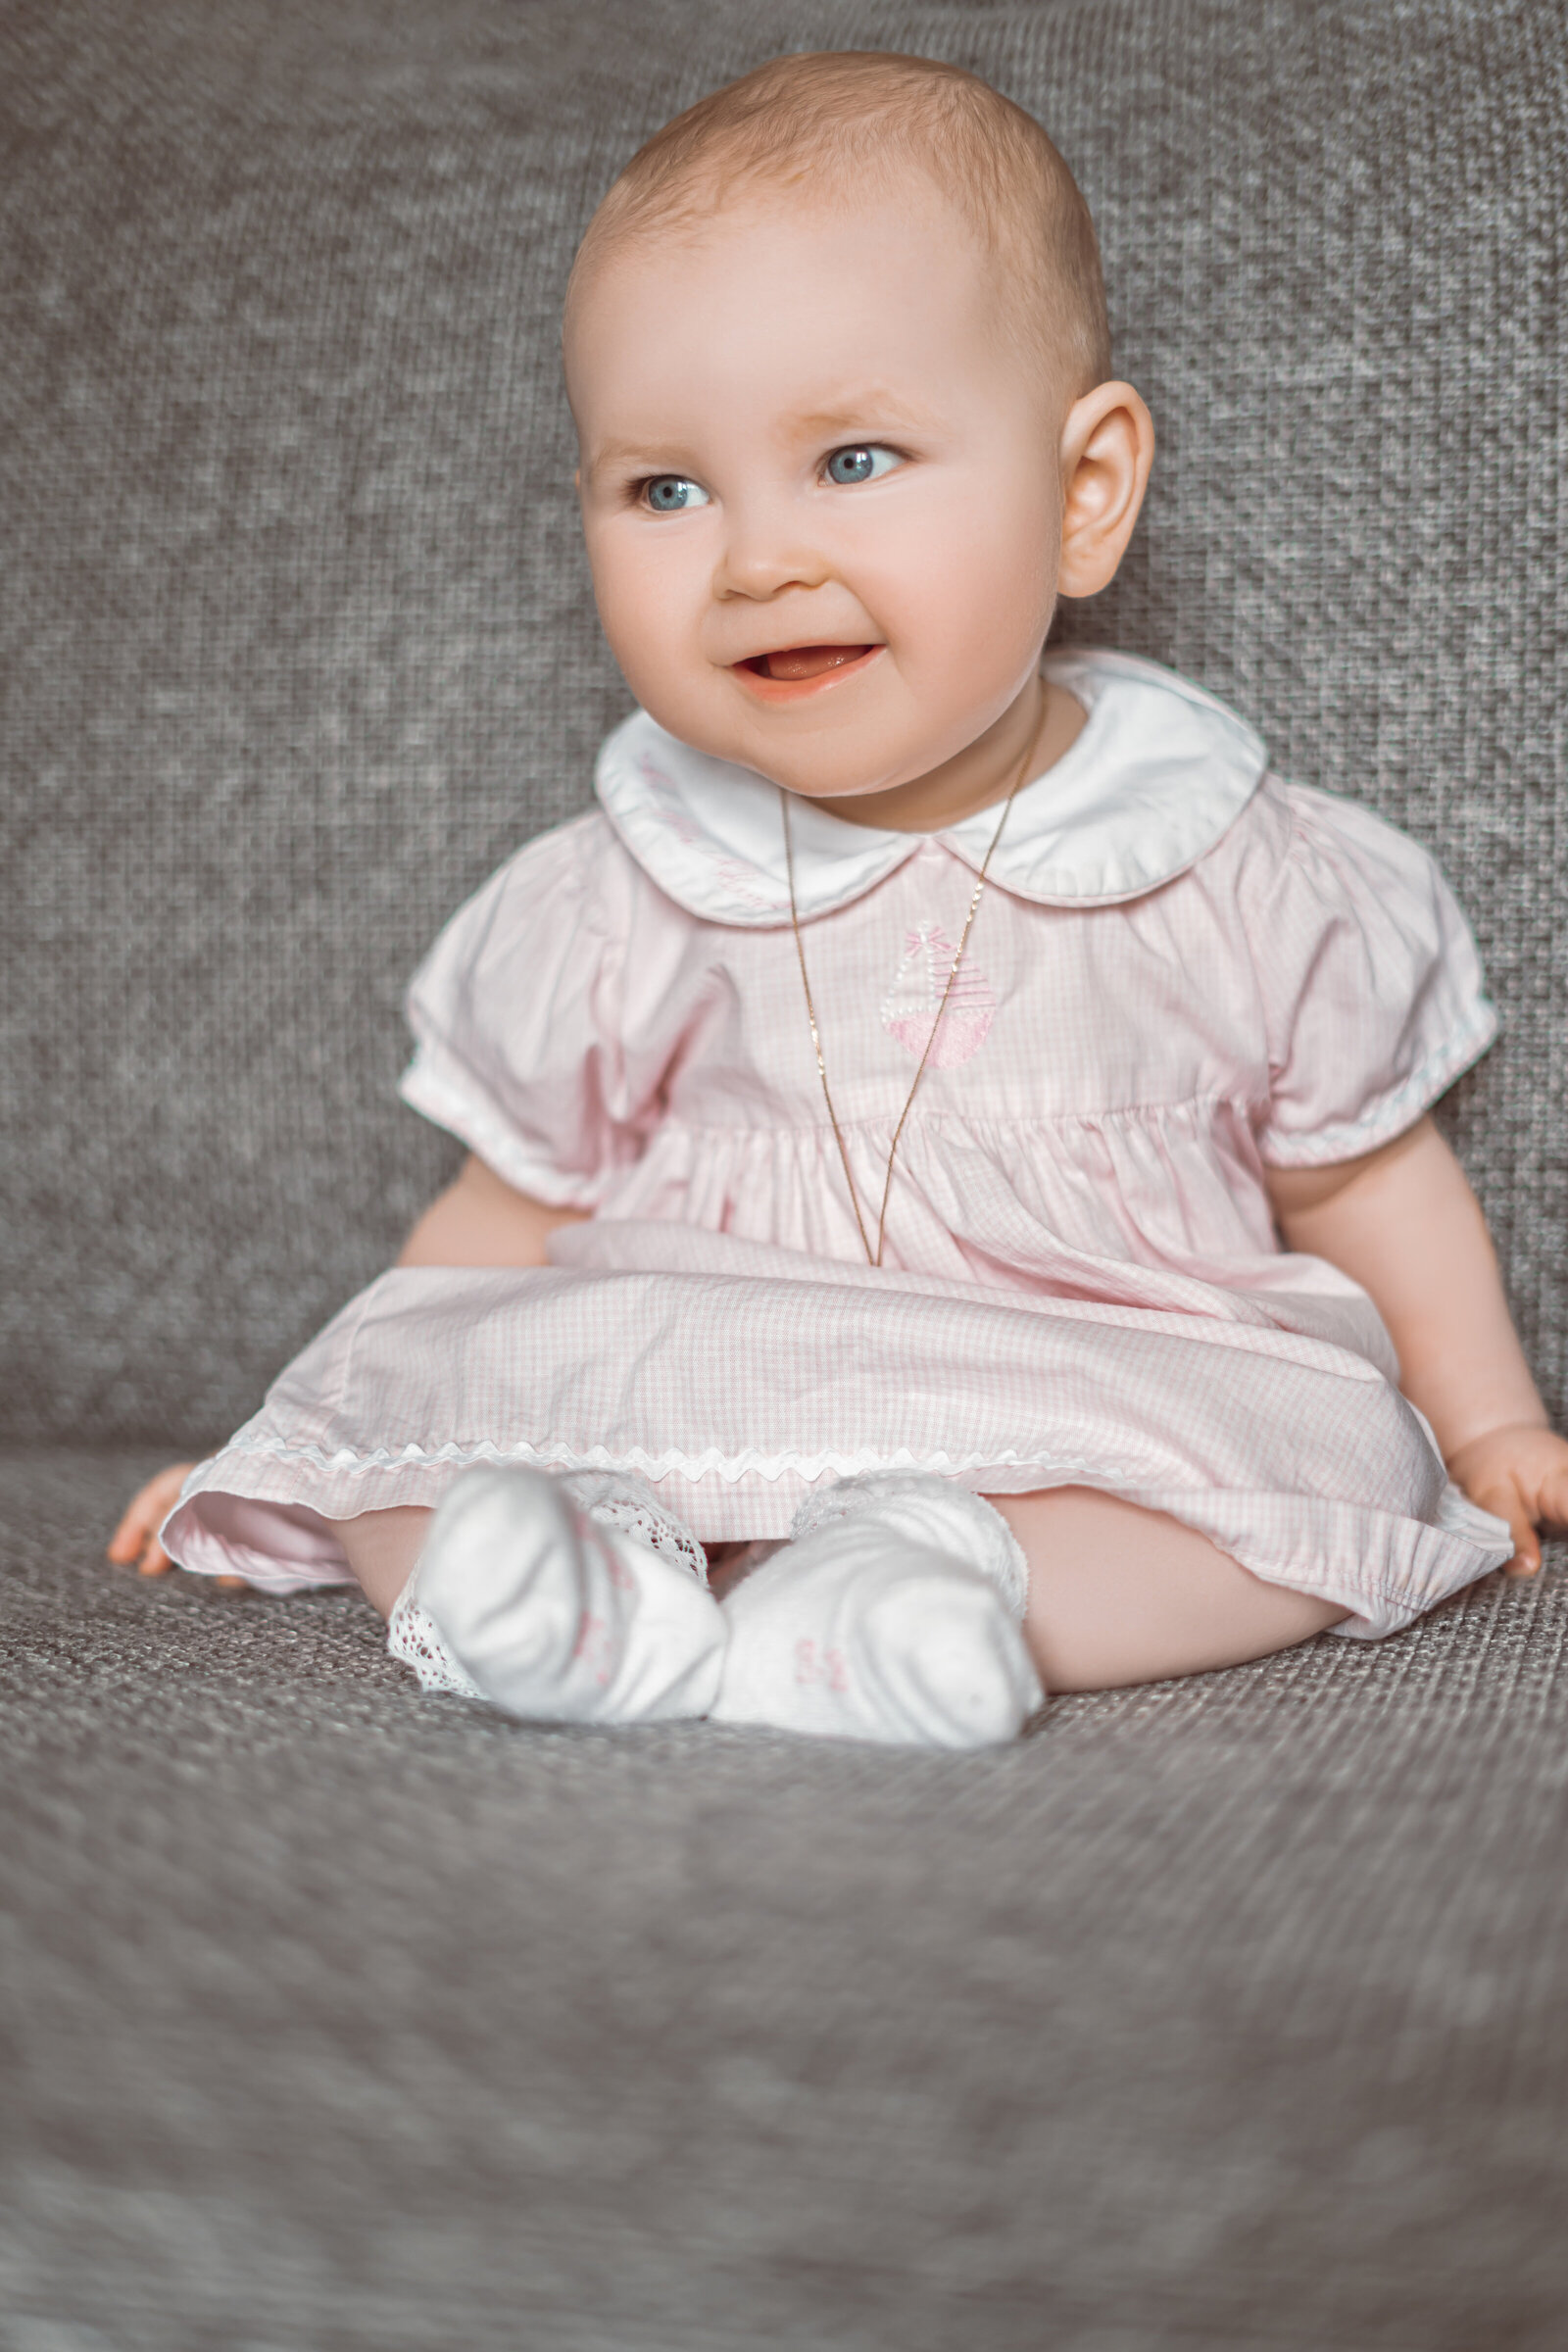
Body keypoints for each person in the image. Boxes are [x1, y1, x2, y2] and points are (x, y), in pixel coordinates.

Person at [109, 51, 1567, 1747]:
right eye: (666, 489)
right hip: (690, 1378)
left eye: (854, 459)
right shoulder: (623, 889)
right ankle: (582, 1589)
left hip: (1098, 1378)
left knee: (1324, 1475)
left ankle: (924, 1586)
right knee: (417, 1450)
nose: (753, 559)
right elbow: (496, 1229)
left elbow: (1369, 1181)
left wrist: (1485, 1428)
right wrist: (326, 1428)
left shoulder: (1231, 860)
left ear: (1084, 492)